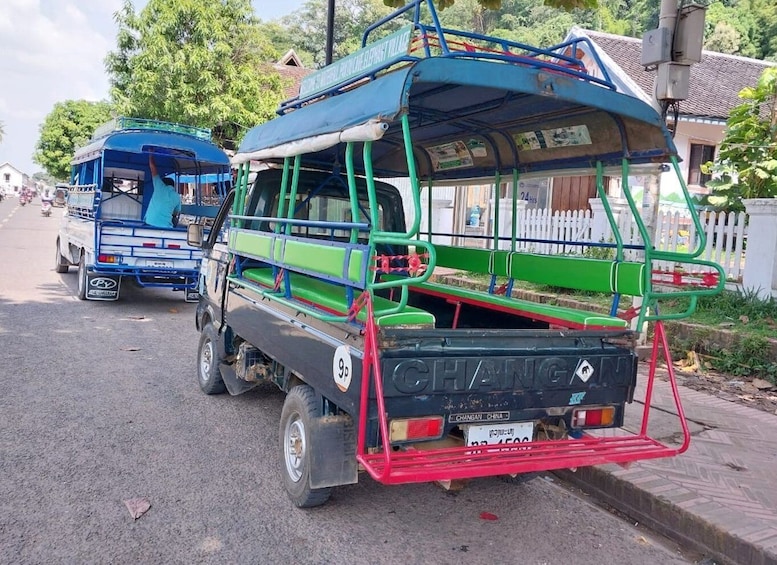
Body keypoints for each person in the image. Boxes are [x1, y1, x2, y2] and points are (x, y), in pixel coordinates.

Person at [144, 154, 181, 228]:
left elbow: (153, 168)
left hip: (149, 223)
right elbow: (176, 212)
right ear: (173, 186)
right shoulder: (177, 196)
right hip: (166, 226)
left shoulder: (159, 187)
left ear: (163, 184)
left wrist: (151, 154)